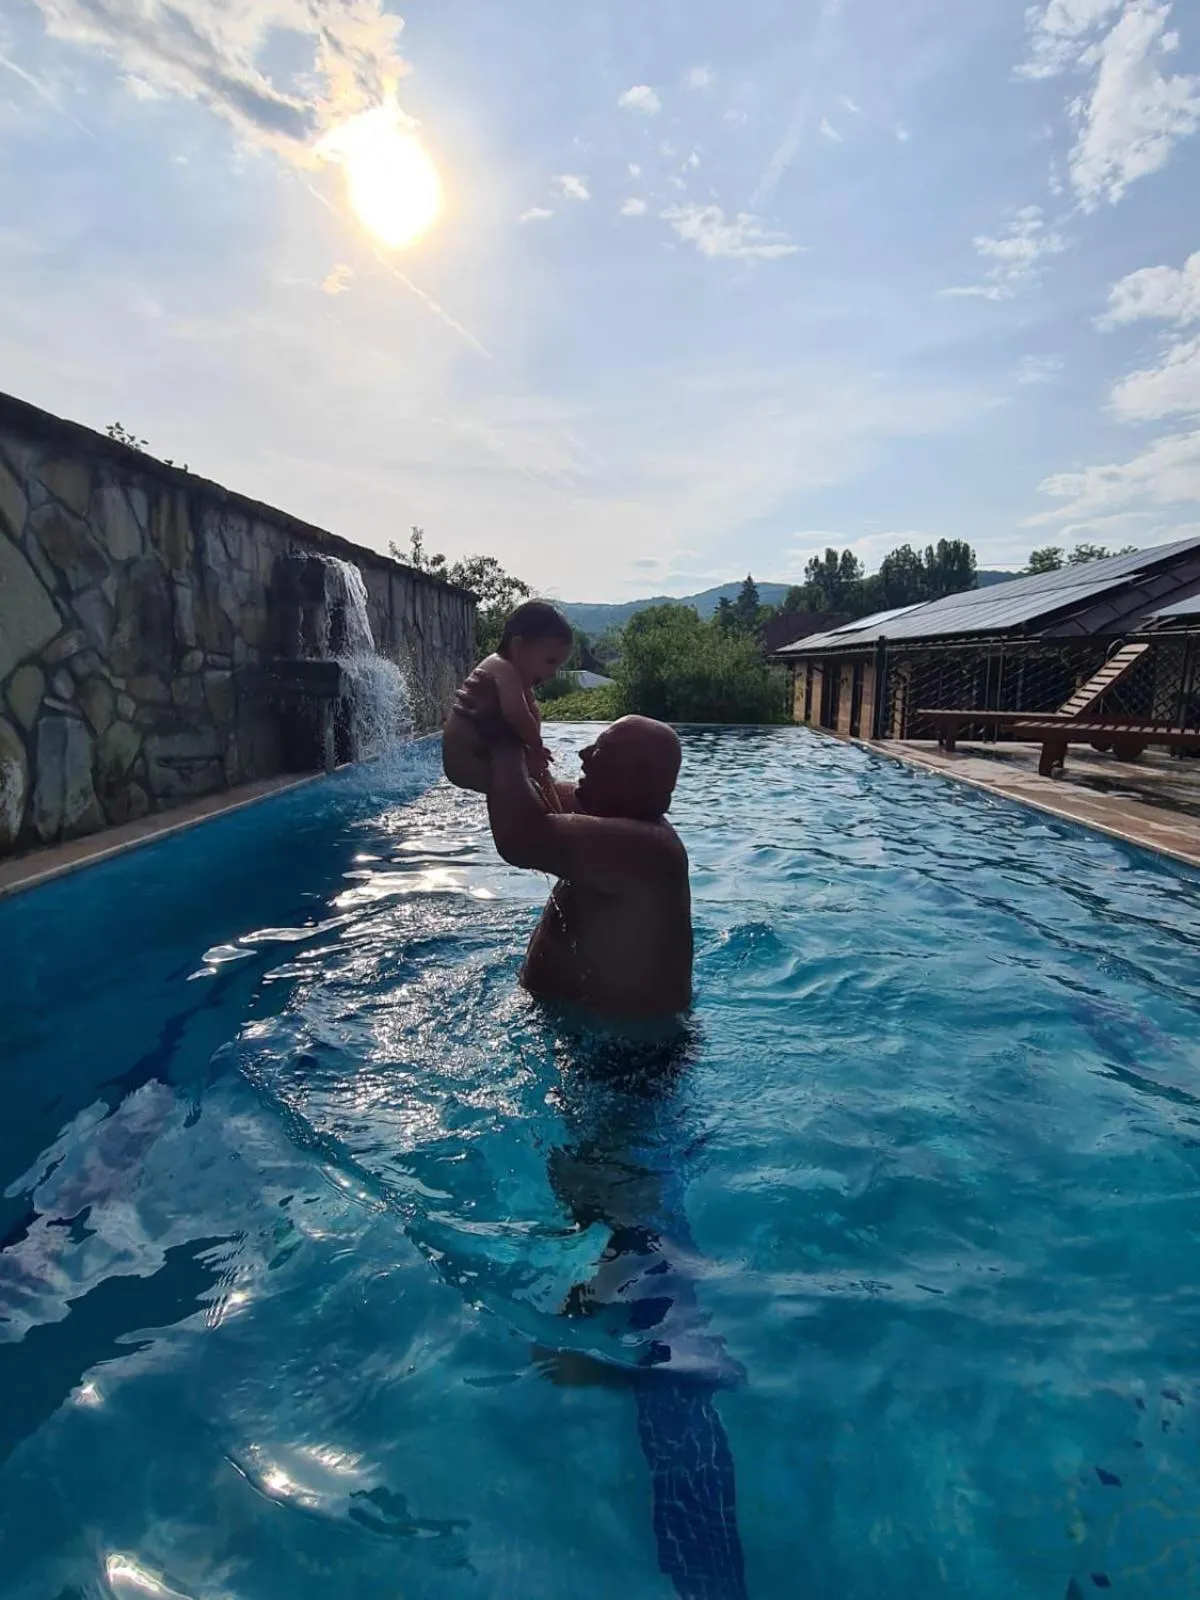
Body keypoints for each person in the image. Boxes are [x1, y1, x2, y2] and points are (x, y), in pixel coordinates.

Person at [454, 679, 693, 1017]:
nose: (583, 755)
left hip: (627, 1057)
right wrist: (520, 737)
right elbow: (526, 795)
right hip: (586, 1034)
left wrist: (502, 739)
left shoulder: (651, 851)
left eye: (600, 750)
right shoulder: (609, 813)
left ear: (636, 775)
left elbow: (521, 839)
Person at [442, 600, 573, 811]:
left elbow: (531, 711)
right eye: (550, 662)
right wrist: (536, 744)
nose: (552, 674)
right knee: (528, 787)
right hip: (465, 759)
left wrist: (532, 749)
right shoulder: (503, 668)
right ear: (518, 646)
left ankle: (556, 816)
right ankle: (553, 819)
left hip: (475, 754)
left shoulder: (516, 677)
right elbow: (516, 714)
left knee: (538, 777)